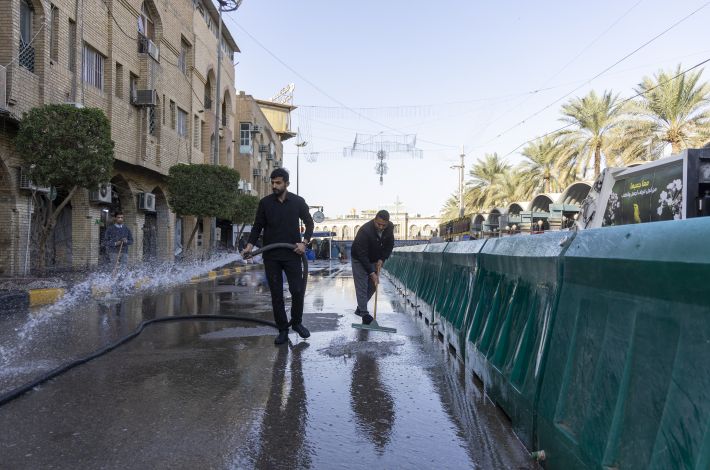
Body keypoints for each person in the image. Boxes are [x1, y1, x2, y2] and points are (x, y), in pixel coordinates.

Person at [242, 168, 314, 345]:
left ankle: (296, 322)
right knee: (276, 294)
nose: (274, 186)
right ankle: (282, 329)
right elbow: (257, 227)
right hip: (271, 256)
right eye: (272, 182)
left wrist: (304, 243)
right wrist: (249, 246)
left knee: (297, 290)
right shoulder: (265, 203)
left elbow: (309, 223)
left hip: (292, 254)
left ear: (287, 184)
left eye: (278, 183)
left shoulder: (297, 202)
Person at [350, 210, 394, 324]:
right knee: (362, 285)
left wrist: (382, 259)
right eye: (378, 224)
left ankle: (360, 308)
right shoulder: (365, 231)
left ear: (388, 223)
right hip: (359, 258)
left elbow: (389, 245)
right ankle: (364, 314)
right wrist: (371, 272)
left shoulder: (390, 228)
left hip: (374, 258)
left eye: (384, 225)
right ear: (375, 220)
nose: (381, 227)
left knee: (374, 285)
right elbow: (362, 254)